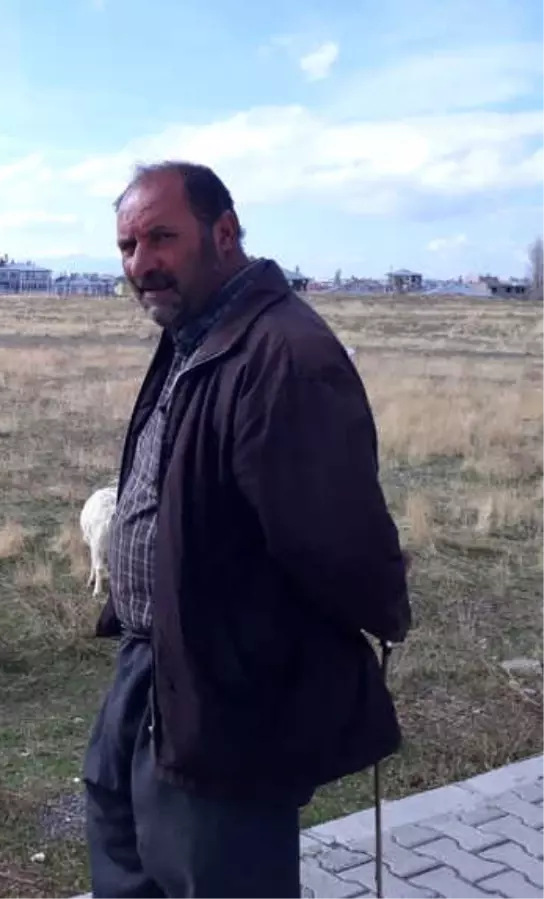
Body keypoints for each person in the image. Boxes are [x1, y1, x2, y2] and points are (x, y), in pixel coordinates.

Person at [81, 160, 412, 898]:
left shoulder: (284, 353)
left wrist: (379, 610)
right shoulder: (195, 332)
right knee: (128, 849)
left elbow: (338, 540)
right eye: (128, 247)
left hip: (229, 691)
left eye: (161, 238)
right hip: (149, 665)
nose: (142, 264)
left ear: (223, 232)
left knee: (218, 869)